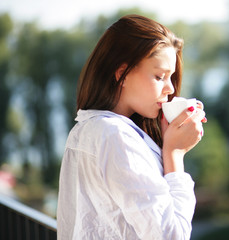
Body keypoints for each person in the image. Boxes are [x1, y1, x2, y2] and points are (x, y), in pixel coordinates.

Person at [56, 14, 207, 240]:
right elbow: (171, 236)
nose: (169, 88)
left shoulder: (85, 130)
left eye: (171, 77)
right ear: (122, 74)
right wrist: (174, 153)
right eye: (159, 76)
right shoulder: (115, 136)